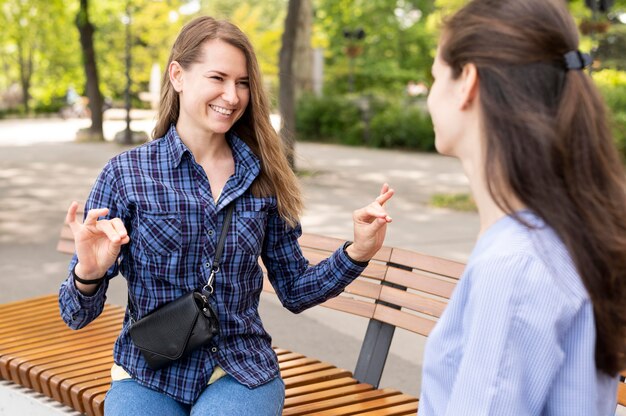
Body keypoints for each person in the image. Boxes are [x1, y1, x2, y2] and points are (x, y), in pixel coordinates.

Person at [58, 16, 394, 416]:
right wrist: (90, 274)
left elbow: (296, 290)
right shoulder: (127, 174)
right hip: (149, 371)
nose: (232, 96)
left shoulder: (263, 176)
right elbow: (74, 315)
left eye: (243, 83)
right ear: (178, 75)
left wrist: (357, 251)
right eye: (218, 78)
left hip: (240, 369)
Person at [420, 0, 626, 414]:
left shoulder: (515, 265)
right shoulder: (561, 236)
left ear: (467, 83)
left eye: (435, 76)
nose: (429, 94)